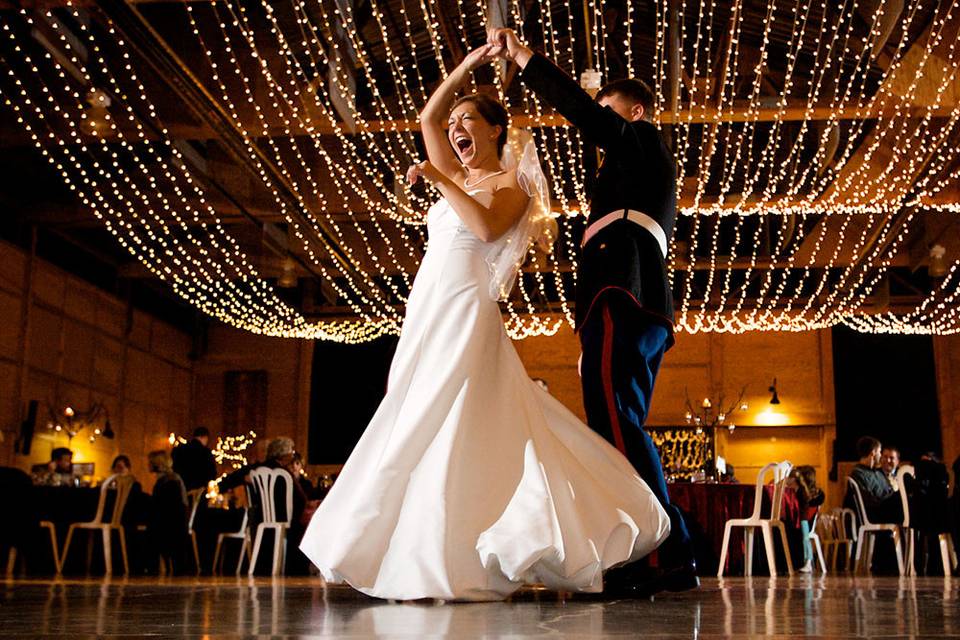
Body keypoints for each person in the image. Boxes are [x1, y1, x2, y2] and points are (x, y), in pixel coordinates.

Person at [299, 44, 670, 602]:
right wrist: (466, 70)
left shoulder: (511, 185)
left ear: (497, 131)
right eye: (454, 125)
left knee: (450, 407)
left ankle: (599, 522)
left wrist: (441, 178)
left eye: (468, 121)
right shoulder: (453, 164)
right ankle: (426, 540)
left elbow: (488, 230)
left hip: (467, 304)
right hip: (429, 302)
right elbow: (427, 117)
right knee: (419, 410)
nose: (453, 131)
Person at [488, 27, 697, 595]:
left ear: (636, 110)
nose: (601, 121)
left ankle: (663, 550)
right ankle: (651, 548)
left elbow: (587, 114)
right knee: (617, 424)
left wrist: (526, 59)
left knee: (616, 425)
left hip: (620, 290)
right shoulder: (629, 167)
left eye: (610, 112)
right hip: (632, 297)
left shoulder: (645, 142)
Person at [146, 450, 189, 574]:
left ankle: (150, 568)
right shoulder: (170, 479)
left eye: (150, 462)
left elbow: (164, 507)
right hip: (173, 523)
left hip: (172, 526)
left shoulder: (169, 481)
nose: (148, 465)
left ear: (157, 464)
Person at [847, 436, 902, 524]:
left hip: (885, 509)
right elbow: (869, 502)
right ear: (873, 453)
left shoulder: (876, 473)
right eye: (880, 452)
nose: (880, 456)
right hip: (875, 515)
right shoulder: (858, 473)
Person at [788, 465, 825, 573]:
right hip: (802, 523)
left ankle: (806, 561)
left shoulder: (805, 494)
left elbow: (804, 514)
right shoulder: (808, 493)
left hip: (804, 523)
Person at [171, 426, 217, 491]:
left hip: (181, 489)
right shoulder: (205, 452)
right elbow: (212, 473)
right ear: (204, 437)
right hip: (199, 490)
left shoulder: (179, 449)